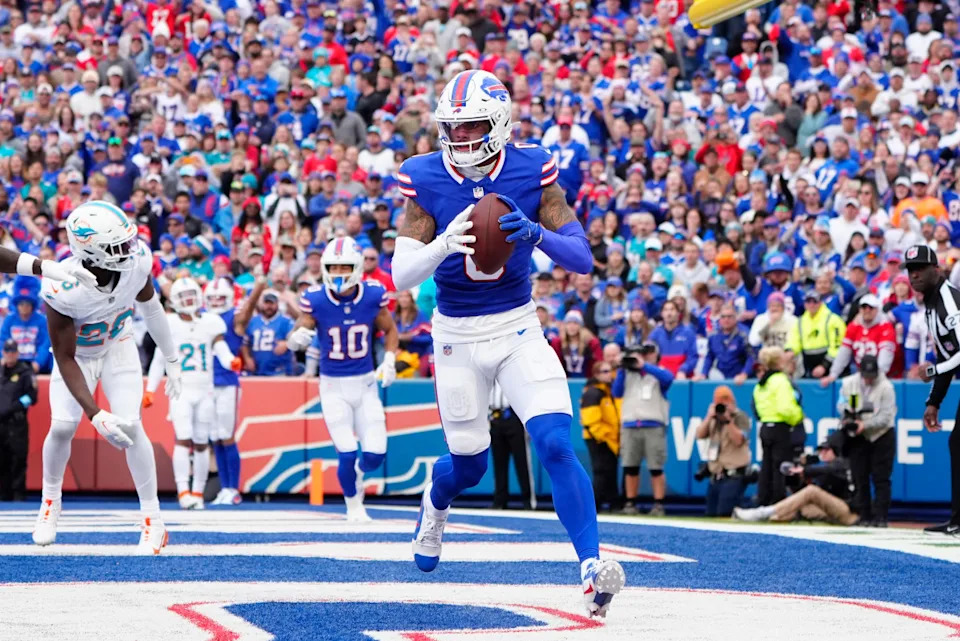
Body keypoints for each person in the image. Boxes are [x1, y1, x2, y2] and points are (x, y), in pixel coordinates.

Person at [390, 69, 625, 616]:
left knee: (555, 444)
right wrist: (443, 244)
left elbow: (583, 258)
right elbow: (401, 275)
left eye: (473, 125)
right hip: (454, 334)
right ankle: (435, 498)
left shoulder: (530, 167)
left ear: (498, 122)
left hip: (518, 325)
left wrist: (538, 234)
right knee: (469, 467)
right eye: (453, 127)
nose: (461, 138)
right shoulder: (424, 176)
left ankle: (591, 568)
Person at [33, 201, 182, 554]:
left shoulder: (136, 262)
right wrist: (94, 413)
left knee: (131, 427)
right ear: (90, 251)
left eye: (129, 242)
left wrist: (172, 357)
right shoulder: (62, 287)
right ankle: (50, 501)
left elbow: (152, 307)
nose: (130, 251)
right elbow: (66, 357)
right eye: (118, 247)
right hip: (78, 358)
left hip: (119, 345)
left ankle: (153, 521)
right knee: (62, 426)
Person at [287, 236, 399, 522]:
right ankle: (353, 505)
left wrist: (388, 360)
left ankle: (359, 476)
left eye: (344, 266)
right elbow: (303, 326)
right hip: (333, 386)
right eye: (333, 267)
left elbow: (390, 329)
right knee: (347, 452)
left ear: (358, 266)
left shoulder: (374, 294)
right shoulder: (315, 298)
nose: (338, 273)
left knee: (375, 455)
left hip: (365, 384)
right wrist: (296, 338)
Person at [144, 277, 241, 510]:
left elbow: (221, 349)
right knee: (183, 437)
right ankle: (183, 491)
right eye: (184, 297)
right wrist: (150, 389)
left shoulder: (211, 322)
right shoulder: (168, 323)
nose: (188, 301)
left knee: (200, 442)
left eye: (191, 296)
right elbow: (159, 360)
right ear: (175, 301)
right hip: (181, 390)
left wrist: (231, 361)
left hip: (205, 390)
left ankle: (197, 492)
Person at [906, 245, 960, 535]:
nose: (914, 275)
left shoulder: (949, 301)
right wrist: (934, 401)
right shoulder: (931, 304)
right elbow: (945, 356)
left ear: (936, 269)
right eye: (910, 270)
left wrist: (934, 371)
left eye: (920, 269)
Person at [202, 276, 263, 505]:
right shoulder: (202, 318)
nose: (216, 301)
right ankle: (225, 489)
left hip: (227, 381)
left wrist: (258, 287)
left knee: (226, 436)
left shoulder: (233, 319)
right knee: (215, 437)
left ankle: (232, 488)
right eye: (213, 297)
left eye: (220, 297)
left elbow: (246, 312)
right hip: (207, 382)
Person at [733, 434, 860, 525]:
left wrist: (804, 471)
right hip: (831, 512)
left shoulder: (843, 464)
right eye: (821, 450)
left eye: (826, 449)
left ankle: (761, 513)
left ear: (835, 450)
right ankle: (767, 516)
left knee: (812, 491)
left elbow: (828, 472)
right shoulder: (825, 469)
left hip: (848, 512)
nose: (823, 453)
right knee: (797, 507)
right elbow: (808, 491)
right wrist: (797, 479)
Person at [837, 354, 897, 527]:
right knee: (859, 477)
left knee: (881, 478)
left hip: (881, 435)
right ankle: (864, 514)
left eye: (872, 376)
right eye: (866, 376)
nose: (869, 380)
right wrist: (848, 416)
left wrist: (865, 424)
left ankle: (881, 517)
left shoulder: (886, 387)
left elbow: (886, 417)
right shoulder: (849, 383)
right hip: (859, 437)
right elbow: (841, 403)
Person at [614, 342, 673, 516]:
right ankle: (630, 503)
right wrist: (622, 367)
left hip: (653, 424)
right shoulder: (626, 375)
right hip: (631, 424)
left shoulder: (656, 373)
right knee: (630, 467)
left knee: (656, 467)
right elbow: (617, 392)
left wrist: (643, 365)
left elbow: (668, 378)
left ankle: (658, 504)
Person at [753, 346, 804, 506]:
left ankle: (763, 500)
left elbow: (758, 407)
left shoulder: (762, 383)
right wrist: (798, 416)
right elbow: (785, 407)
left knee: (766, 466)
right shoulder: (780, 381)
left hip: (765, 427)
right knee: (780, 467)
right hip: (780, 428)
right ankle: (778, 503)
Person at [696, 385, 751, 517]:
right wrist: (709, 417)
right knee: (710, 514)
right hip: (716, 475)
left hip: (734, 475)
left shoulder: (740, 417)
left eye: (726, 401)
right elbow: (700, 435)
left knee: (724, 513)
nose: (722, 405)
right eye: (719, 402)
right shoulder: (714, 418)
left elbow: (739, 440)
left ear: (732, 402)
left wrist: (728, 420)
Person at [580, 362, 620, 513]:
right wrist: (602, 438)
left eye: (610, 371)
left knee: (609, 472)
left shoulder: (606, 391)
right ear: (596, 374)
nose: (609, 374)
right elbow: (590, 421)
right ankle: (596, 504)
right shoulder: (593, 392)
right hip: (598, 438)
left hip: (607, 438)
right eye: (604, 371)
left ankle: (611, 503)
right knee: (600, 471)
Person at [0, 339, 37, 501]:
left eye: (12, 352)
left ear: (17, 353)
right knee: (2, 458)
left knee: (18, 457)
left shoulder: (25, 372)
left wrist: (15, 406)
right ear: (3, 353)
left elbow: (32, 397)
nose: (9, 355)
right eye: (7, 352)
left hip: (17, 422)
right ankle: (3, 492)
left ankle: (18, 493)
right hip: (1, 423)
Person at [489, 380, 533, 510]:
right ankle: (499, 501)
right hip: (494, 417)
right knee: (499, 462)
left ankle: (528, 501)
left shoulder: (513, 372)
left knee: (522, 461)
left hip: (513, 417)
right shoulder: (488, 373)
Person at [785, 290, 846, 378]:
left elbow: (837, 346)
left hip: (830, 366)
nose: (811, 305)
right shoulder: (800, 321)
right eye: (808, 301)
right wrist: (789, 351)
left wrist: (824, 365)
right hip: (809, 366)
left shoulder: (833, 320)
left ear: (821, 303)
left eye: (815, 301)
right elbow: (794, 340)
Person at [243, 290, 295, 376]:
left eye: (272, 303)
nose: (269, 306)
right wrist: (247, 358)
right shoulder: (253, 321)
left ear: (277, 304)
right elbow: (244, 342)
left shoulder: (286, 321)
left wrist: (287, 343)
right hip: (256, 370)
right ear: (262, 304)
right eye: (266, 303)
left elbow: (297, 338)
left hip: (280, 371)